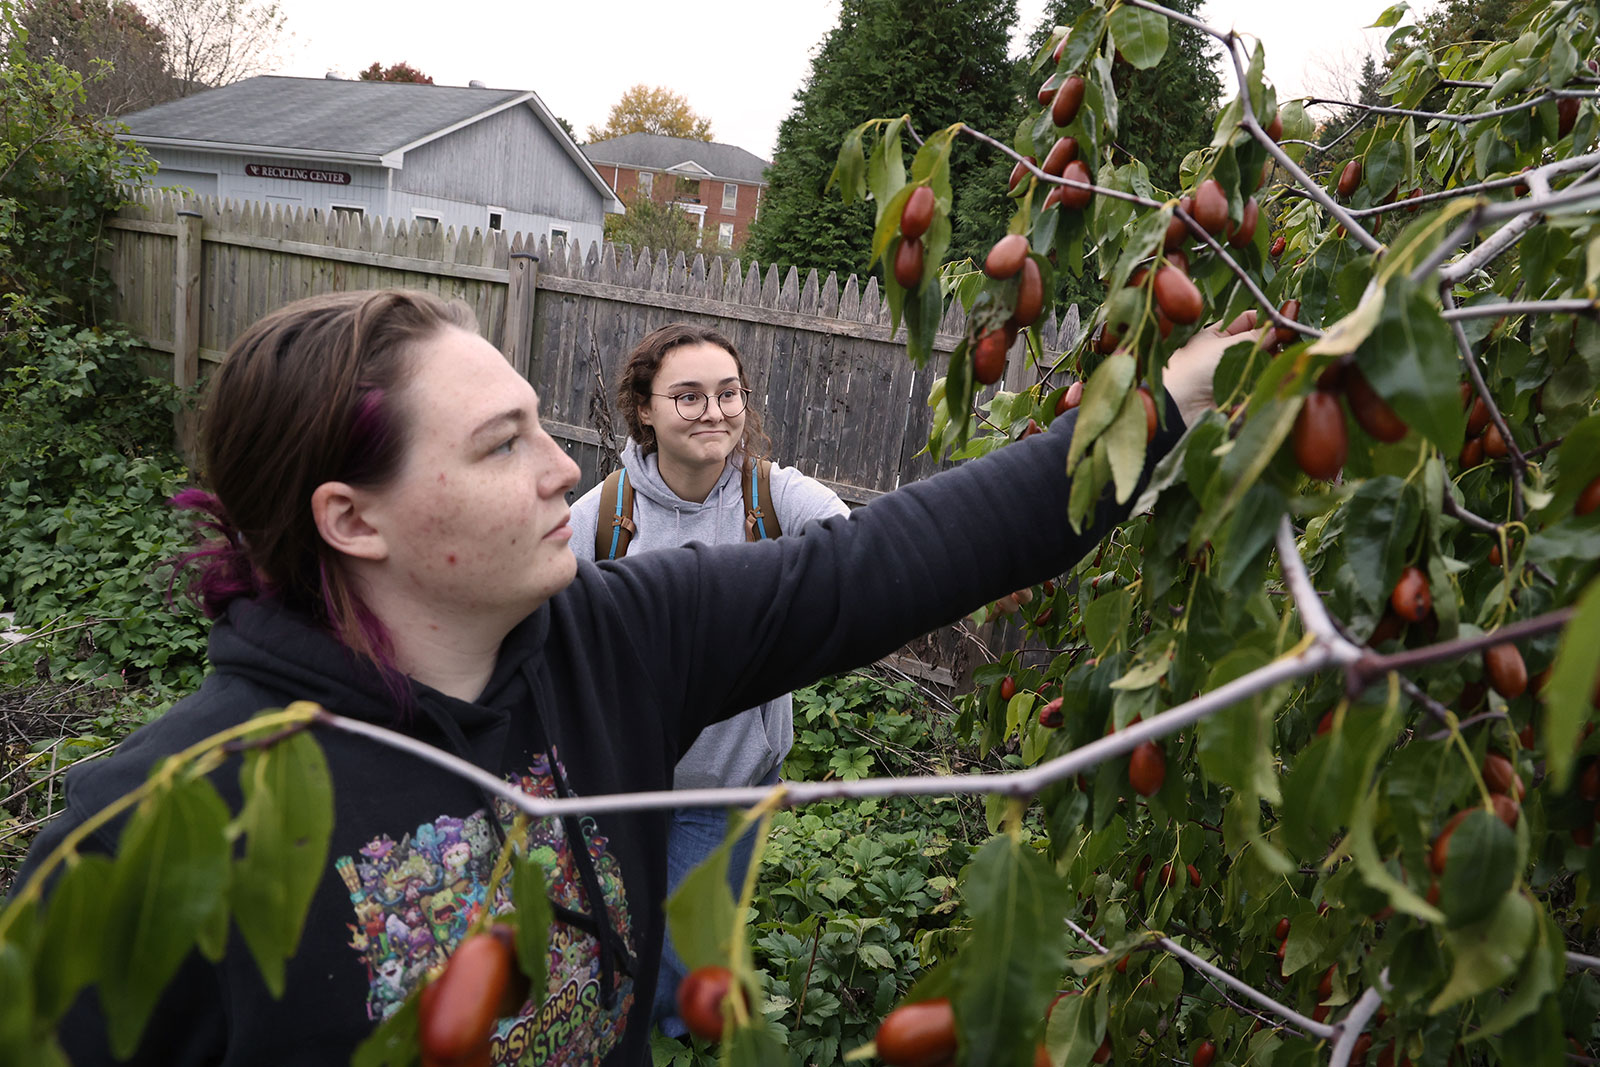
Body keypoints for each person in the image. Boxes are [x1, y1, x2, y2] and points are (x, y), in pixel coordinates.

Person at [14, 288, 1232, 1067]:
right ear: (353, 518)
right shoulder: (140, 833)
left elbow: (887, 560)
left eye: (542, 424)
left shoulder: (614, 642)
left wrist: (1168, 405)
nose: (561, 469)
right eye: (503, 444)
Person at [567, 323, 849, 1038]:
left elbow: (854, 549)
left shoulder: (771, 498)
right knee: (614, 930)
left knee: (687, 961)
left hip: (725, 788)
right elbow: (543, 618)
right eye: (687, 396)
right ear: (645, 410)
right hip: (623, 781)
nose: (713, 412)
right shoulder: (604, 516)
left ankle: (667, 1042)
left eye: (728, 394)